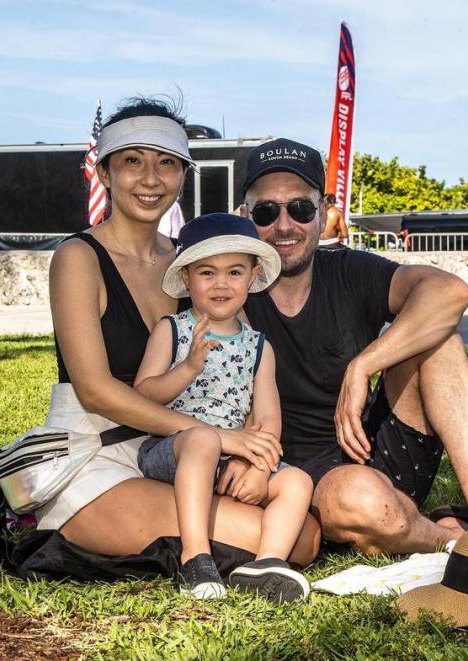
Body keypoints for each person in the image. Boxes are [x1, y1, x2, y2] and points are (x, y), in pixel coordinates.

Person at [239, 138, 468, 555]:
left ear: (323, 213)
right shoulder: (229, 286)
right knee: (363, 503)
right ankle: (451, 536)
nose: (284, 226)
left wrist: (363, 365)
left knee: (439, 340)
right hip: (301, 479)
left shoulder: (348, 270)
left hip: (376, 448)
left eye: (300, 209)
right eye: (267, 211)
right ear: (245, 217)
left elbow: (450, 293)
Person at [41, 98, 320, 583]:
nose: (150, 179)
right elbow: (95, 391)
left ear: (182, 176)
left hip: (189, 453)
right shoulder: (78, 257)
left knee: (306, 532)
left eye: (166, 163)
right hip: (101, 450)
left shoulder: (193, 261)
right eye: (132, 161)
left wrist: (253, 455)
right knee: (289, 538)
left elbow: (244, 362)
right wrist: (219, 437)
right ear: (104, 172)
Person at [134, 213, 313, 601]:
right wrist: (188, 368)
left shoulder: (259, 347)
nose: (221, 284)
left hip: (233, 457)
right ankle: (195, 557)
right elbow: (144, 394)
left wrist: (259, 467)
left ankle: (266, 564)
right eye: (207, 273)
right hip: (175, 451)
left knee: (297, 482)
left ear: (252, 277)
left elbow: (266, 420)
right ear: (186, 278)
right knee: (201, 440)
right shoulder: (173, 330)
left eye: (234, 272)